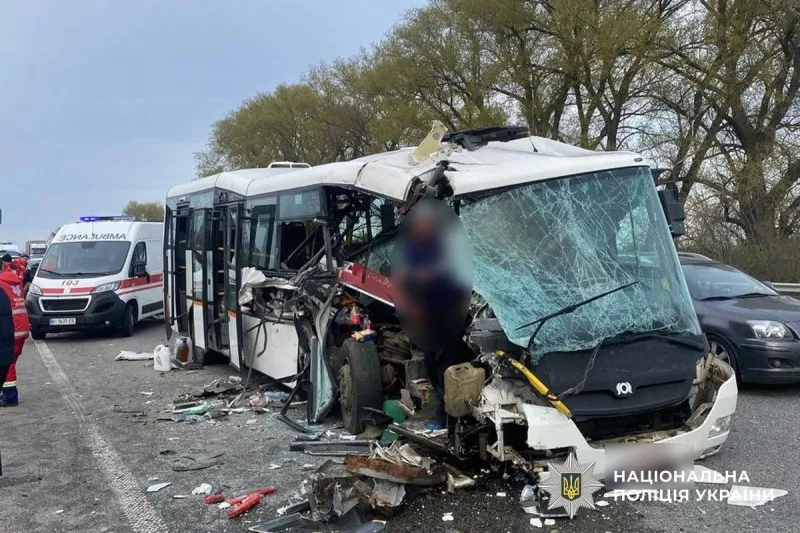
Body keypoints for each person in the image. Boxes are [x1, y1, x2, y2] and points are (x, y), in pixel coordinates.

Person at [0, 257, 29, 407]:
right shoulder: (14, 280)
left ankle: (10, 396)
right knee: (9, 362)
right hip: (21, 325)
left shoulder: (1, 284)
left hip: (11, 328)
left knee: (7, 363)